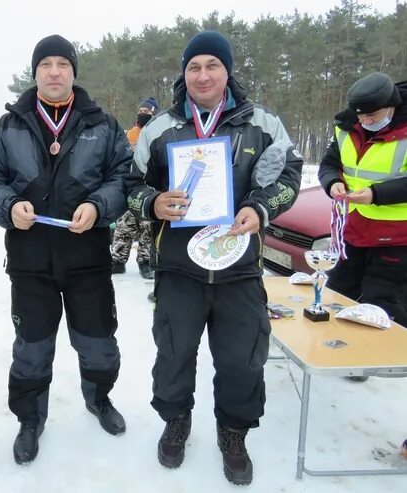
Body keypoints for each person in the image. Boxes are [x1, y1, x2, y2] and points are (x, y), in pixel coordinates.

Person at [125, 31, 303, 485]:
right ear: (183, 75)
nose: (203, 75)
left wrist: (260, 206)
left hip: (239, 268)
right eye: (194, 67)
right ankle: (176, 422)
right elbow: (130, 184)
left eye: (212, 65)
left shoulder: (261, 122)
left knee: (243, 360)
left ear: (227, 71)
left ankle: (233, 433)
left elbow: (289, 173)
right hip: (179, 269)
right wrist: (153, 203)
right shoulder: (160, 128)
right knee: (174, 353)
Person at [0, 34, 132, 465]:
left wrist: (97, 204)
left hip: (88, 260)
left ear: (73, 72)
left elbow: (124, 177)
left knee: (99, 343)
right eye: (46, 64)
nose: (54, 71)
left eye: (63, 63)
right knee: (31, 347)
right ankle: (30, 419)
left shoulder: (102, 124)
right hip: (31, 263)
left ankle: (99, 399)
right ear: (36, 73)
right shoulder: (10, 125)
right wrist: (9, 206)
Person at [318, 72, 407, 328]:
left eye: (373, 116)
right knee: (337, 297)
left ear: (391, 106)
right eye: (362, 116)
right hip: (352, 231)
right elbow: (329, 165)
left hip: (395, 239)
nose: (367, 121)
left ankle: (384, 364)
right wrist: (332, 183)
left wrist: (376, 194)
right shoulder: (345, 128)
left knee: (382, 307)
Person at [111, 97, 159, 279]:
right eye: (142, 111)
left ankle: (145, 262)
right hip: (129, 186)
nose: (143, 114)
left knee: (147, 227)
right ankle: (117, 260)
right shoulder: (129, 134)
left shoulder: (155, 133)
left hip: (149, 187)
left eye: (147, 112)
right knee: (124, 226)